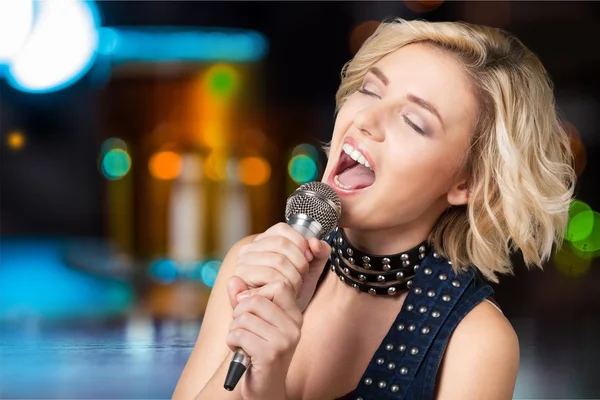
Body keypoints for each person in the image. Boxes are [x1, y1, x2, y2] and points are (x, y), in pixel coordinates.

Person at [173, 18, 575, 400]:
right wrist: (253, 366)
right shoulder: (252, 267)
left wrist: (269, 385)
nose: (367, 119)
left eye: (414, 122)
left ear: (467, 183)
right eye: (370, 90)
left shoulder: (475, 341)